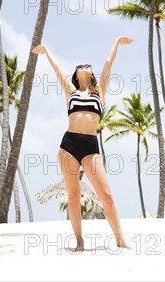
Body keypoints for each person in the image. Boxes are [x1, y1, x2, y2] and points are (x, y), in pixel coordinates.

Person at [32, 36, 134, 252]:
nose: (83, 66)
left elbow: (108, 64)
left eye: (87, 66)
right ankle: (79, 241)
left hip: (90, 145)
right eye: (79, 66)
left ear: (91, 73)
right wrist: (46, 50)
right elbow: (57, 68)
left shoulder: (100, 92)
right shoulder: (71, 92)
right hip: (68, 145)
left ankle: (120, 239)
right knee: (73, 196)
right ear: (76, 75)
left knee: (106, 195)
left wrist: (116, 41)